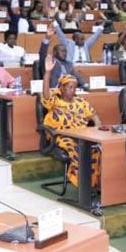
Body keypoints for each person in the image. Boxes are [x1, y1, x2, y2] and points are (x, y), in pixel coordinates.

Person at [41, 56, 102, 188]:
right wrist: (48, 73)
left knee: (96, 149)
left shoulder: (80, 102)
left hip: (81, 136)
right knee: (75, 149)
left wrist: (98, 130)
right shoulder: (55, 101)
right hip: (61, 136)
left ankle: (92, 182)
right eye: (69, 87)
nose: (72, 90)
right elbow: (46, 95)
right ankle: (81, 183)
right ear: (61, 88)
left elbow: (95, 116)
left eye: (74, 88)